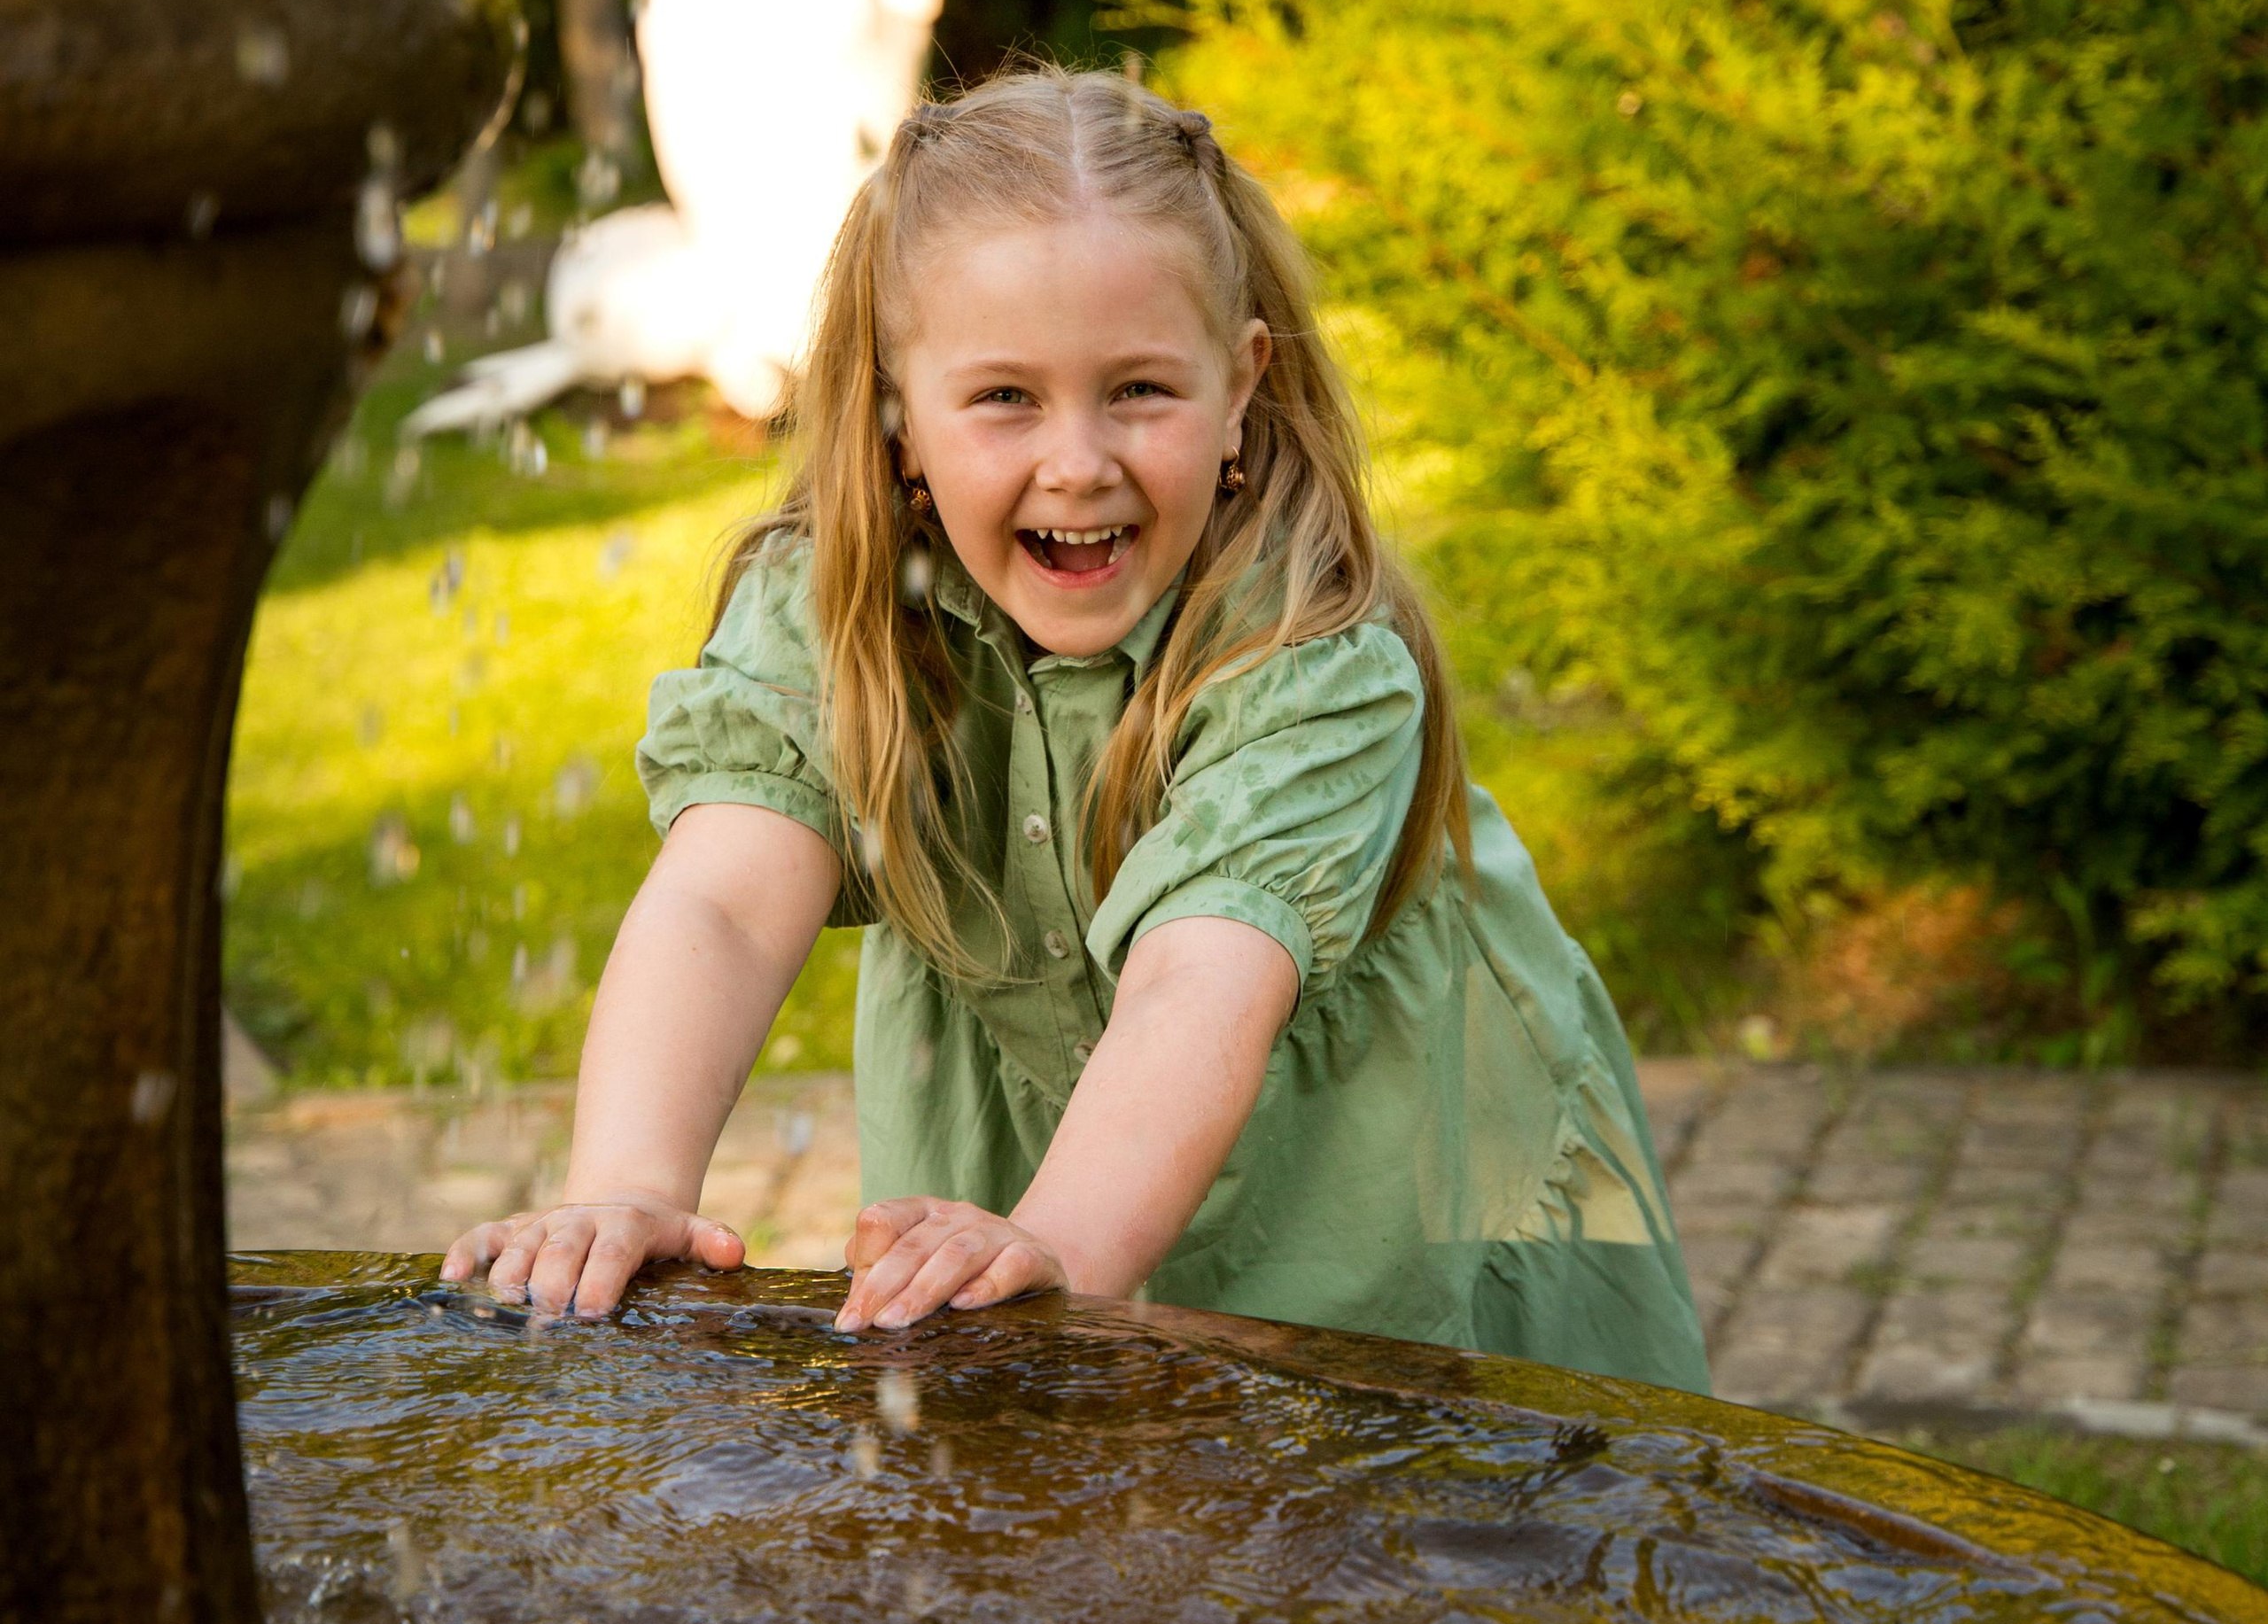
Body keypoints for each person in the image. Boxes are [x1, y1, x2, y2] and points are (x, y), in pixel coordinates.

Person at [442, 67, 1707, 1388]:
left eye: (1140, 391)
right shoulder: (843, 606)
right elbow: (723, 902)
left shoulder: (1310, 650)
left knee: (1377, 1523)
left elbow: (1194, 986)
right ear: (895, 418)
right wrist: (629, 1184)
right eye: (1005, 400)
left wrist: (1053, 1240)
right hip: (1047, 1142)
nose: (1079, 461)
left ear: (1240, 389)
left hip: (1375, 1162)